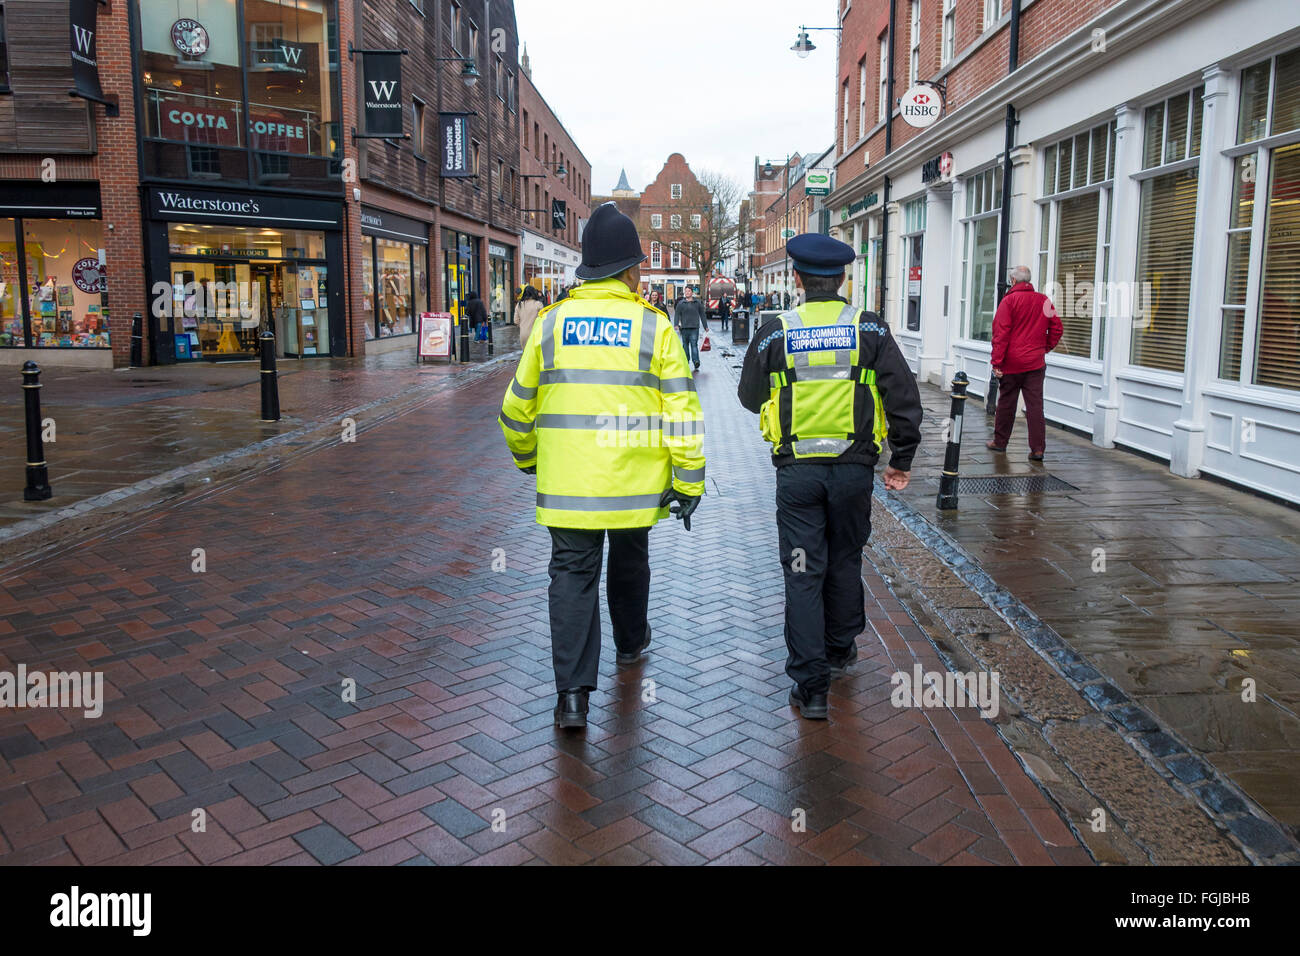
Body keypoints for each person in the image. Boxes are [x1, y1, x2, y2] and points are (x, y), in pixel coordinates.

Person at [499, 202, 706, 730]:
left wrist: (530, 460)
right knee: (631, 559)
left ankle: (572, 697)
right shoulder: (653, 327)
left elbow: (516, 408)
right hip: (636, 486)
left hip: (568, 487)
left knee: (571, 575)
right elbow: (682, 411)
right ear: (630, 269)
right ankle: (632, 643)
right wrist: (688, 480)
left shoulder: (550, 324)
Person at [738, 234, 922, 721]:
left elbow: (749, 395)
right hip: (853, 470)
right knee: (845, 557)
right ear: (843, 280)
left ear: (796, 279)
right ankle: (840, 650)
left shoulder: (776, 330)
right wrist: (901, 459)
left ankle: (810, 686)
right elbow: (904, 397)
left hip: (797, 472)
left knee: (802, 570)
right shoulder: (871, 330)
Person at [987, 265, 1063, 462]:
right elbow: (1057, 328)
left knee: (1006, 403)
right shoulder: (1044, 300)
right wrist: (1044, 348)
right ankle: (1037, 449)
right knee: (1035, 406)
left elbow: (1000, 334)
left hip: (1011, 363)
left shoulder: (1009, 301)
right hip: (1035, 364)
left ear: (1012, 281)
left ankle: (1000, 442)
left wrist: (997, 362)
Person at [673, 286, 708, 371]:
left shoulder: (697, 303)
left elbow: (702, 314)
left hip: (694, 328)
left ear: (692, 292)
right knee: (685, 346)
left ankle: (696, 361)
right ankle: (686, 361)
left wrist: (705, 326)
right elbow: (677, 314)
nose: (687, 292)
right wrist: (676, 324)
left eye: (689, 291)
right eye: (686, 291)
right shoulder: (681, 303)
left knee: (694, 345)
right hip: (684, 328)